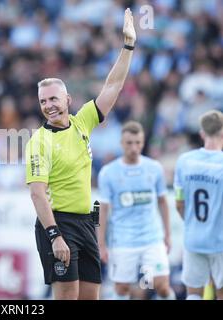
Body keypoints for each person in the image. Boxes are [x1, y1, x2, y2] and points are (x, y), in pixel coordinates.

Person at [25, 8, 136, 300]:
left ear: (67, 100)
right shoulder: (39, 141)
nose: (48, 105)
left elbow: (114, 84)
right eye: (43, 101)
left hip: (86, 223)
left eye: (53, 98)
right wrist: (54, 236)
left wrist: (128, 46)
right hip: (59, 225)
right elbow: (37, 194)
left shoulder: (82, 121)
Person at [97, 121, 175, 300]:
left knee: (162, 286)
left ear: (143, 142)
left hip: (152, 239)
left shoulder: (154, 168)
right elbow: (101, 209)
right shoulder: (108, 173)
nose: (134, 147)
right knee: (122, 288)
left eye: (138, 143)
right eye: (129, 143)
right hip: (123, 241)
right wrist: (101, 243)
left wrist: (168, 234)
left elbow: (162, 202)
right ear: (121, 144)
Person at [174, 110, 223, 300]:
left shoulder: (184, 161)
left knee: (194, 293)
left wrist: (193, 224)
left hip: (194, 238)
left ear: (202, 133)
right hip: (219, 241)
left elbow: (179, 203)